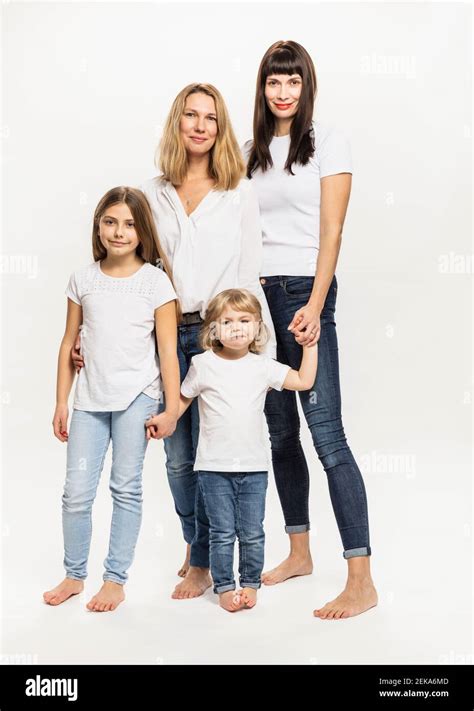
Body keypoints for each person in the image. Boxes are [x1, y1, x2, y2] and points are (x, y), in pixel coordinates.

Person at [243, 40, 378, 619]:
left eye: (293, 82)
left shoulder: (328, 141)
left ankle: (361, 580)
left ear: (306, 86)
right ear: (263, 87)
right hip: (258, 298)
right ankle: (299, 550)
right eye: (275, 82)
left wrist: (316, 306)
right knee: (279, 434)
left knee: (327, 435)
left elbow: (332, 231)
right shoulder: (249, 150)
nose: (283, 92)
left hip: (304, 293)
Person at [44, 187, 180, 612]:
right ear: (98, 226)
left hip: (136, 399)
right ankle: (73, 574)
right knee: (76, 493)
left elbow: (168, 353)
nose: (119, 232)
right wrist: (61, 402)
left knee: (126, 488)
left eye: (129, 223)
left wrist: (171, 408)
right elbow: (69, 343)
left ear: (142, 231)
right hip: (89, 402)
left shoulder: (155, 283)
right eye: (110, 221)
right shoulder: (82, 280)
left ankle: (115, 579)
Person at [147, 288, 317, 612]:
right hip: (212, 468)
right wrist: (167, 419)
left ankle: (250, 585)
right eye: (227, 321)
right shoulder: (202, 364)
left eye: (244, 320)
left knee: (252, 533)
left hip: (253, 468)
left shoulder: (263, 366)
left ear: (257, 327)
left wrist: (310, 346)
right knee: (222, 533)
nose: (236, 327)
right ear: (214, 330)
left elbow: (304, 380)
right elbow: (183, 398)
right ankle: (225, 587)